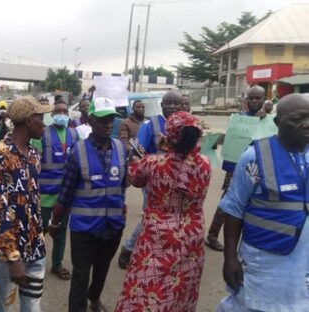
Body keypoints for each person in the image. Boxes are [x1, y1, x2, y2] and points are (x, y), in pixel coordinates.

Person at [216, 93, 309, 311]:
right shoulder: (253, 157)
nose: (306, 125)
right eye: (298, 119)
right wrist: (229, 258)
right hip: (264, 260)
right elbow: (234, 210)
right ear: (277, 123)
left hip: (302, 263)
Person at [115, 111, 211, 311]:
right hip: (191, 237)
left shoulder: (152, 163)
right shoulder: (205, 165)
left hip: (157, 236)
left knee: (148, 286)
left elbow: (135, 180)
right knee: (181, 288)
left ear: (169, 136)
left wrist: (135, 160)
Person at [50, 97, 127, 312]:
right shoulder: (78, 151)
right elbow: (66, 191)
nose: (109, 124)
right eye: (103, 120)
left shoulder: (120, 149)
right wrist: (55, 221)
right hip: (84, 228)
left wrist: (123, 208)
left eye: (111, 119)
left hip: (112, 226)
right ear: (90, 120)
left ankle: (94, 299)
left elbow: (122, 185)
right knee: (81, 275)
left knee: (102, 270)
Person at [0, 96, 53, 311]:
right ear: (29, 121)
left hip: (34, 248)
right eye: (41, 118)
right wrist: (13, 257)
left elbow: (32, 197)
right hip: (8, 254)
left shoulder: (34, 154)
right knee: (3, 306)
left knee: (32, 305)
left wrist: (42, 228)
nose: (45, 124)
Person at [117, 90, 182, 269]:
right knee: (152, 217)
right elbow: (138, 153)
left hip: (178, 182)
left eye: (176, 103)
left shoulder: (186, 124)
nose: (173, 107)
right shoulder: (150, 125)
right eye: (169, 103)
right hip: (154, 182)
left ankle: (161, 251)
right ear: (162, 105)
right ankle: (129, 249)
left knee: (171, 218)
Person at [204, 85, 267, 251]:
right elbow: (230, 141)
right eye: (251, 98)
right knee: (229, 202)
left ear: (264, 99)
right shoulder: (239, 118)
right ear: (246, 100)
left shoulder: (269, 120)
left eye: (258, 98)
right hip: (237, 167)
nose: (254, 101)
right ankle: (212, 235)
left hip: (262, 167)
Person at [30, 100, 77, 281]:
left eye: (65, 111)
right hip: (44, 194)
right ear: (51, 114)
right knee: (39, 230)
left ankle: (56, 264)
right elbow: (34, 164)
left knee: (61, 232)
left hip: (64, 194)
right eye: (58, 111)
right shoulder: (42, 134)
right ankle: (34, 261)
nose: (62, 114)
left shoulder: (74, 134)